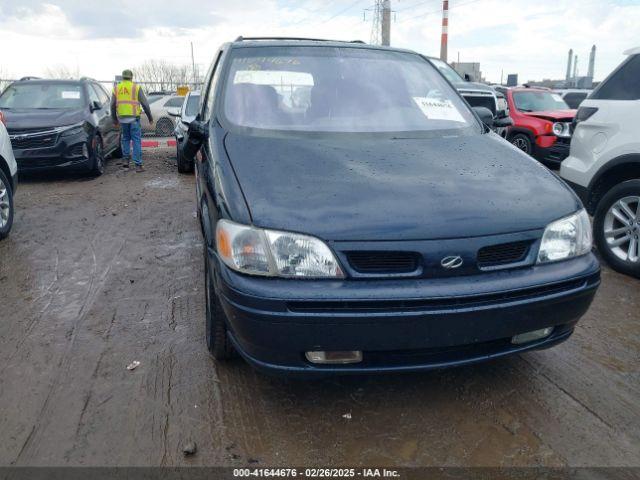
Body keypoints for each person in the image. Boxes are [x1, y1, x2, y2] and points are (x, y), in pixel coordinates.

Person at [111, 69, 153, 172]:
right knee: (136, 140)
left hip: (122, 119)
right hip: (134, 118)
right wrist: (150, 117)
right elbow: (145, 104)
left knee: (125, 139)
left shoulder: (116, 88)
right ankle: (138, 165)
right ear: (131, 77)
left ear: (123, 77)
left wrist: (114, 119)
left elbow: (112, 105)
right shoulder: (136, 87)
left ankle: (125, 162)